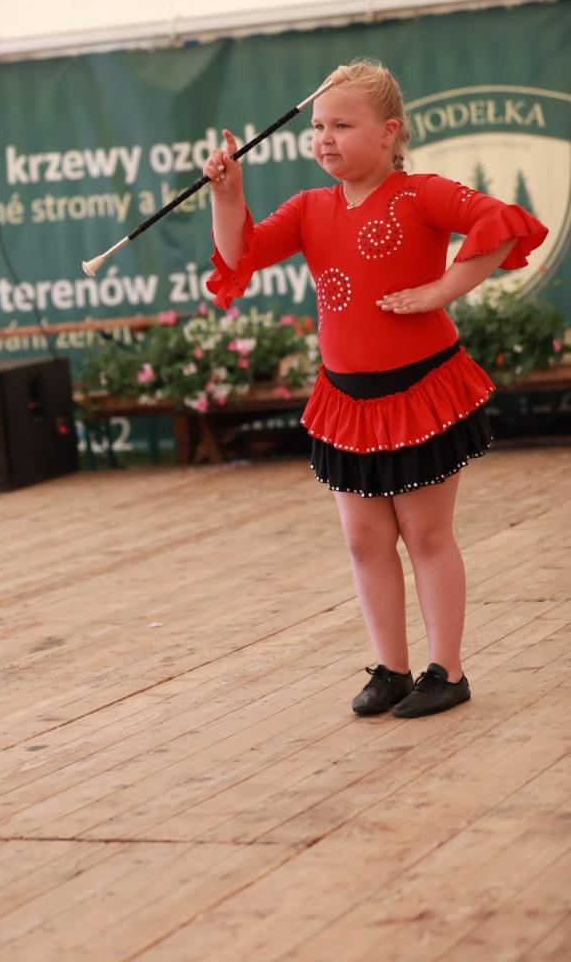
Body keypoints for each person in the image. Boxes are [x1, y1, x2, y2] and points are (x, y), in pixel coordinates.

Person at [203, 59, 548, 719]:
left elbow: (502, 223)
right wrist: (227, 194)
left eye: (343, 124)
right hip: (347, 400)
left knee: (425, 535)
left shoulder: (421, 195)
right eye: (318, 127)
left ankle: (447, 670)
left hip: (421, 391)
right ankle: (391, 668)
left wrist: (443, 289)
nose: (326, 138)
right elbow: (239, 253)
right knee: (364, 539)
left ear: (390, 132)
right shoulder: (309, 209)